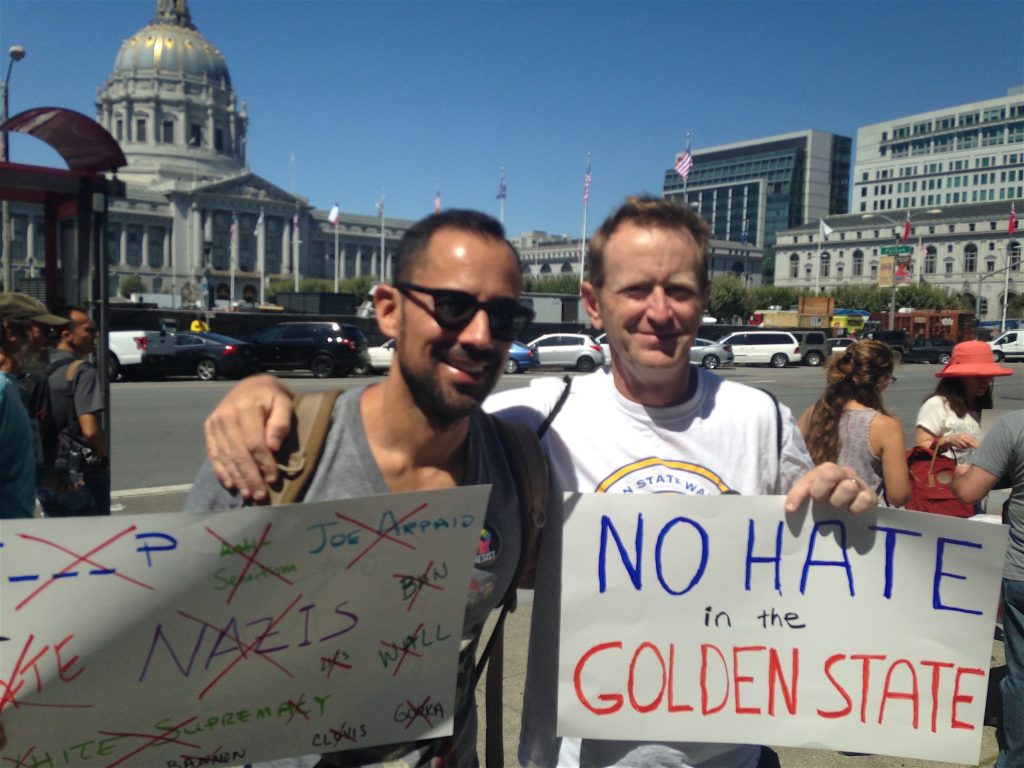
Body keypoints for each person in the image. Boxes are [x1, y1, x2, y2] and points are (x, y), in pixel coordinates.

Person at [203, 197, 876, 768]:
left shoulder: (758, 417)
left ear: (703, 299)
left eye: (679, 290)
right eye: (636, 289)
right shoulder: (532, 422)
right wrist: (262, 394)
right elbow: (414, 412)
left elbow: (819, 564)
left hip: (728, 753)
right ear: (593, 302)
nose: (659, 310)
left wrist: (849, 508)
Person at [188, 209, 537, 768]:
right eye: (452, 307)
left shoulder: (519, 465)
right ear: (388, 310)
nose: (479, 336)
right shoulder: (270, 457)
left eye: (503, 317)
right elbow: (174, 656)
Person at [952, 411, 1024, 768]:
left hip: (1022, 573)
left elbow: (969, 490)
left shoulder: (1015, 426)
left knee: (1021, 675)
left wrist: (959, 472)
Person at [797, 339, 910, 507]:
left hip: (815, 512)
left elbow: (792, 460)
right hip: (862, 515)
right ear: (882, 381)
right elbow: (898, 495)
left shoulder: (814, 412)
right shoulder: (886, 426)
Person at [36, 306, 111, 517]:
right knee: (94, 534)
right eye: (88, 330)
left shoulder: (38, 367)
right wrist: (103, 458)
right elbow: (91, 431)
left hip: (45, 473)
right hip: (77, 474)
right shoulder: (82, 371)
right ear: (67, 335)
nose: (95, 335)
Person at [0, 293, 68, 518]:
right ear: (10, 331)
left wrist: (44, 476)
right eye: (43, 330)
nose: (50, 340)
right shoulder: (2, 389)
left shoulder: (14, 386)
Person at [914, 340, 1014, 466]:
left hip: (978, 476)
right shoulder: (937, 404)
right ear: (959, 377)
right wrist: (946, 441)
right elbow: (920, 447)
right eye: (977, 377)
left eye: (988, 376)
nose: (985, 381)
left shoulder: (981, 405)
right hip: (946, 476)